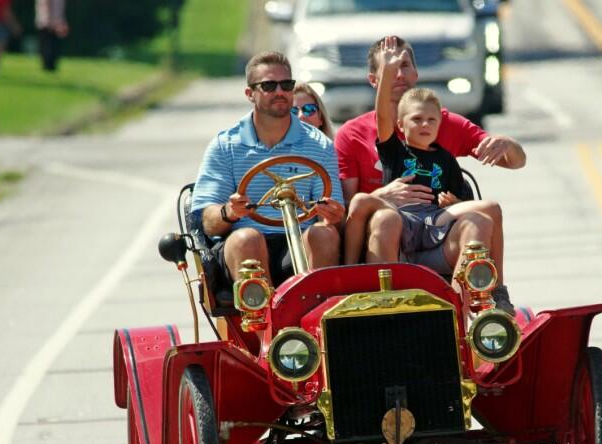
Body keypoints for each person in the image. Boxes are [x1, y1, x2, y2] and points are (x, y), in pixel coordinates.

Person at [335, 35, 526, 313]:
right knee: (383, 217)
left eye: (404, 66)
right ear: (375, 79)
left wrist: (508, 144)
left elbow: (514, 162)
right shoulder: (365, 136)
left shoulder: (445, 127)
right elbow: (348, 205)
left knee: (483, 218)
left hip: (434, 225)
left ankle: (468, 306)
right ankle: (368, 293)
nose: (398, 74)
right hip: (388, 228)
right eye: (390, 68)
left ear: (416, 73)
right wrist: (382, 195)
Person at [191, 51, 345, 287]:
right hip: (243, 242)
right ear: (250, 94)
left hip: (299, 241)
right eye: (269, 86)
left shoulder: (319, 145)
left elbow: (332, 214)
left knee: (323, 236)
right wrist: (229, 212)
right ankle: (259, 316)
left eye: (286, 84)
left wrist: (332, 215)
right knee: (247, 239)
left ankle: (314, 314)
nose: (280, 92)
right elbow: (207, 221)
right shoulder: (225, 146)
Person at [344, 38, 473, 281]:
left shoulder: (445, 158)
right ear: (401, 125)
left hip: (434, 227)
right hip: (398, 220)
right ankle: (348, 272)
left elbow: (462, 198)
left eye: (431, 120)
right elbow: (382, 116)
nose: (424, 125)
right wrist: (389, 72)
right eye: (416, 120)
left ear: (440, 122)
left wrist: (453, 203)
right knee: (378, 213)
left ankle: (474, 295)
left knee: (486, 212)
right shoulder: (394, 150)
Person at [35, 0, 67, 72]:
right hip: (48, 23)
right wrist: (51, 21)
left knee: (53, 46)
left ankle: (51, 67)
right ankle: (47, 67)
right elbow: (47, 5)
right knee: (48, 46)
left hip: (55, 22)